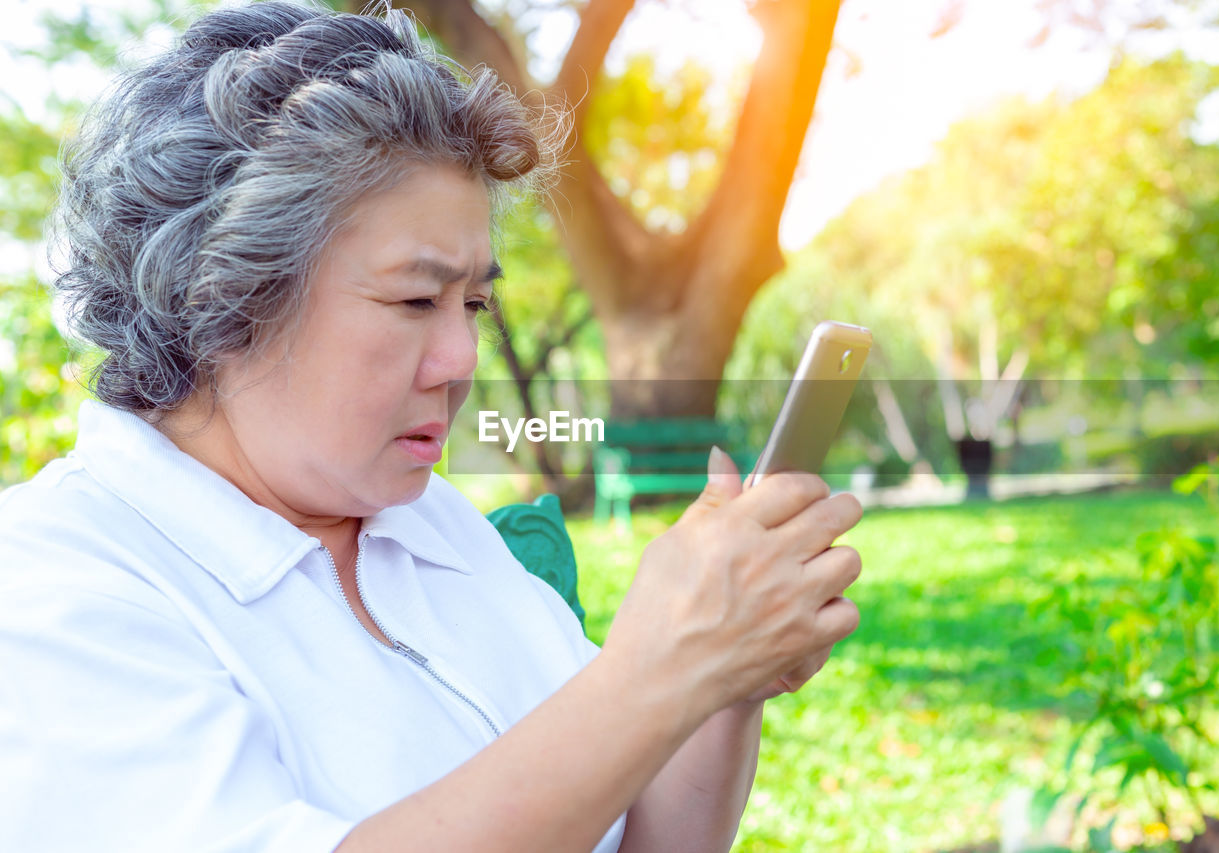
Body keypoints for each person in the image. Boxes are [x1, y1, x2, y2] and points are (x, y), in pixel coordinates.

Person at [0, 3, 864, 851]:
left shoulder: (429, 524)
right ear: (225, 297)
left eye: (475, 303)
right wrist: (659, 668)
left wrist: (720, 677)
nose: (460, 357)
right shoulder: (61, 585)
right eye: (415, 300)